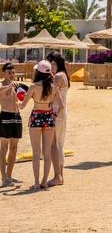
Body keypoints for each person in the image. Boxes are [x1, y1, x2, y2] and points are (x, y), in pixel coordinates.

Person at [19, 60, 64, 191]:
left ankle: (37, 182)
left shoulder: (33, 87)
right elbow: (61, 107)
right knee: (47, 153)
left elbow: (22, 105)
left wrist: (17, 102)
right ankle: (45, 181)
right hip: (49, 118)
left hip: (36, 118)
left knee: (36, 153)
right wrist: (54, 115)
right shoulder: (54, 87)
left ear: (38, 71)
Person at [0, 62, 23, 185]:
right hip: (5, 116)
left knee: (14, 147)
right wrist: (10, 86)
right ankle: (3, 177)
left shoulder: (16, 86)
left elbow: (23, 98)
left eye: (13, 72)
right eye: (9, 72)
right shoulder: (0, 84)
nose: (12, 75)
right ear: (4, 73)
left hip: (16, 116)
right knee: (4, 147)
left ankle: (9, 176)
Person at [47, 52, 70, 186]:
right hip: (62, 113)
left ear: (55, 63)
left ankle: (58, 176)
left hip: (57, 113)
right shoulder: (63, 75)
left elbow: (51, 92)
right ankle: (60, 175)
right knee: (59, 145)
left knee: (55, 145)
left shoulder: (58, 76)